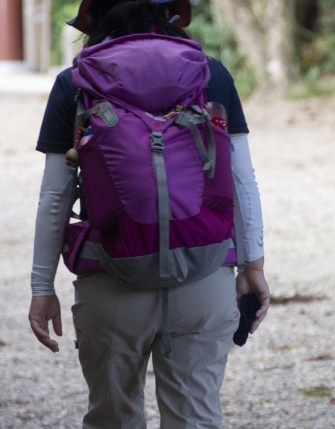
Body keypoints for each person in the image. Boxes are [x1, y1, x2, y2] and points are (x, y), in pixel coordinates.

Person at [27, 1, 270, 427]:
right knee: (195, 418)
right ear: (171, 13)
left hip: (110, 278)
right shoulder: (211, 74)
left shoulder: (75, 82)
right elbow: (242, 180)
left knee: (113, 419)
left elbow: (55, 196)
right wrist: (253, 266)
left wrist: (41, 286)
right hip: (203, 274)